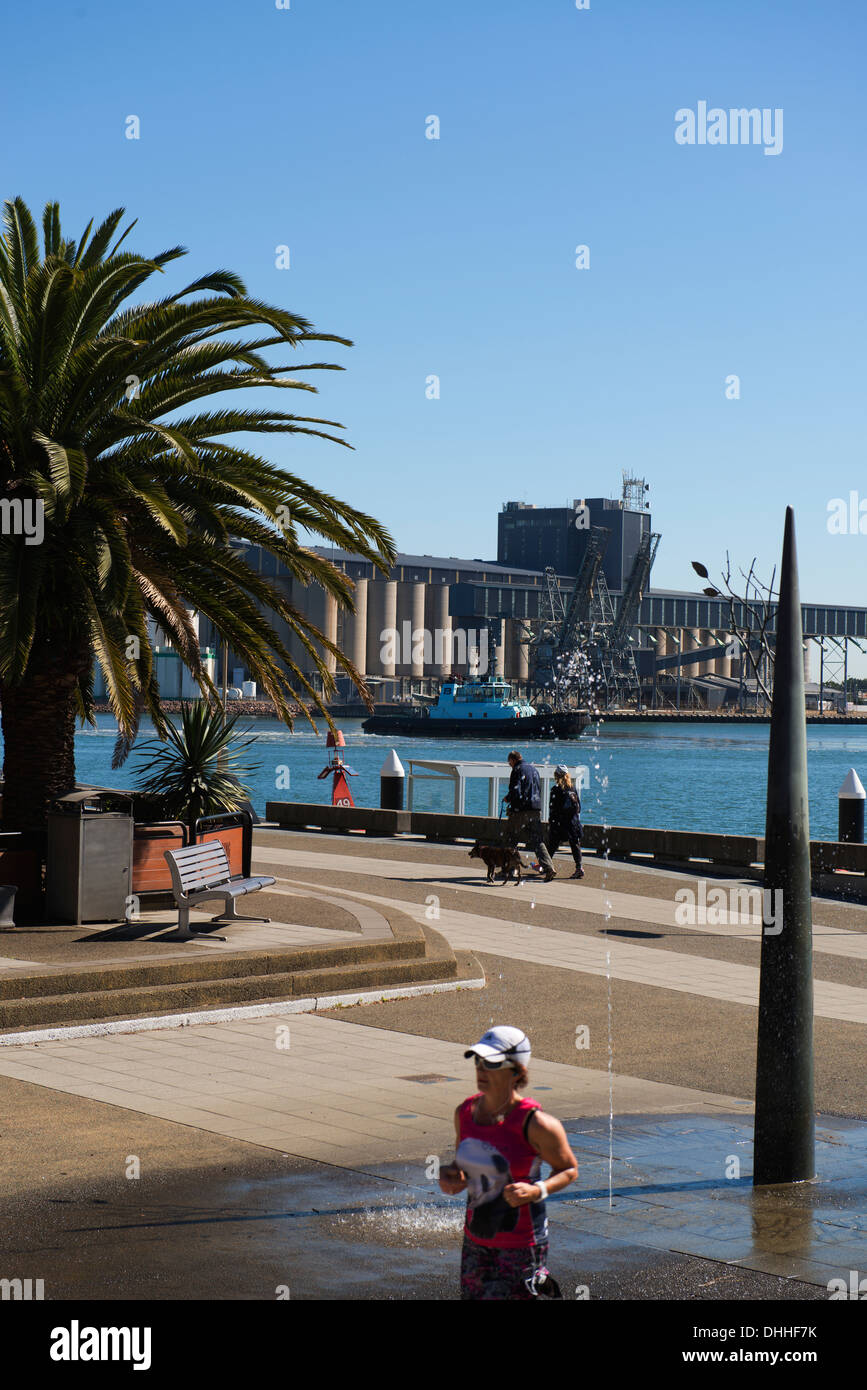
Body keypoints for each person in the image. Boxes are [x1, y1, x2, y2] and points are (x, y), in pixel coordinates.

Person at [438, 1026, 578, 1300]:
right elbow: (463, 1169)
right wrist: (453, 1177)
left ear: (516, 1071)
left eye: (491, 1063)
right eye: (478, 1061)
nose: (481, 1069)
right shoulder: (465, 1113)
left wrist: (537, 1191)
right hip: (476, 1239)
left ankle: (539, 1278)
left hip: (522, 1245)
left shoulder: (537, 1124)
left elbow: (569, 1170)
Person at [502, 750, 557, 881]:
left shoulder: (517, 769)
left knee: (510, 838)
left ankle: (510, 870)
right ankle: (549, 868)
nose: (510, 765)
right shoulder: (534, 770)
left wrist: (508, 799)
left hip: (521, 810)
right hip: (535, 809)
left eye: (509, 762)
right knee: (538, 841)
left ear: (513, 760)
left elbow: (516, 790)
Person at [548, 764, 584, 879]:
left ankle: (546, 866)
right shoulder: (572, 789)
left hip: (560, 823)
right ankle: (579, 868)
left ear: (556, 775)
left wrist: (552, 821)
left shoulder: (556, 789)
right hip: (573, 823)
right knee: (575, 845)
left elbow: (553, 808)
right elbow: (579, 808)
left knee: (552, 844)